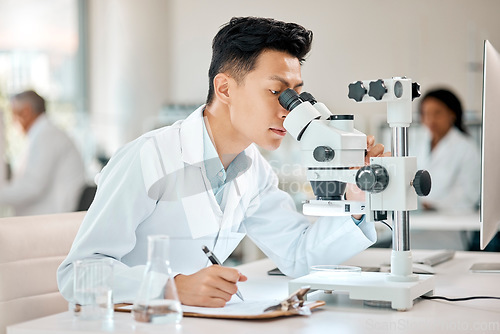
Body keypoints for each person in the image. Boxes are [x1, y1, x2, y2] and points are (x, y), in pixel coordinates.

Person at [58, 17, 386, 308]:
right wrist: (169, 288)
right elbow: (77, 274)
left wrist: (356, 195)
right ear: (225, 88)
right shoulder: (148, 157)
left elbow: (299, 256)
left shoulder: (253, 169)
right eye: (276, 92)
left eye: (296, 95)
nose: (290, 110)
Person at [0, 90, 86, 216]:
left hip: (55, 216)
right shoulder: (42, 135)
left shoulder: (47, 136)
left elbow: (32, 186)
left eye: (14, 114)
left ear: (26, 111)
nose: (13, 122)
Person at [413, 88, 480, 212]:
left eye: (437, 113)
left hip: (451, 222)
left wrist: (432, 205)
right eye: (426, 113)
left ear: (452, 114)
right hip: (419, 220)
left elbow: (469, 194)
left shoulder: (466, 148)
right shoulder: (419, 143)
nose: (431, 119)